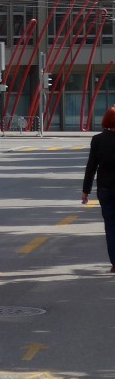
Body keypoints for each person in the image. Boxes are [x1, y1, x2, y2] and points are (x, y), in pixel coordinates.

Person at [81, 105, 115, 274]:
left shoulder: (97, 139)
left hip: (105, 188)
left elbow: (91, 166)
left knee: (110, 226)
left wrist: (85, 190)